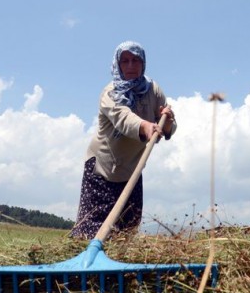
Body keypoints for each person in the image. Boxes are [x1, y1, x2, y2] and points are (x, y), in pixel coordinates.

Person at [70, 41, 177, 240]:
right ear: (117, 65)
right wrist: (146, 126)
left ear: (143, 63)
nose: (130, 66)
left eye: (135, 60)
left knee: (127, 229)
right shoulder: (110, 93)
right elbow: (123, 118)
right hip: (102, 168)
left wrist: (168, 122)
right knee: (92, 229)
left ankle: (120, 267)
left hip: (133, 169)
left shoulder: (152, 90)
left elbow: (169, 127)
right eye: (125, 61)